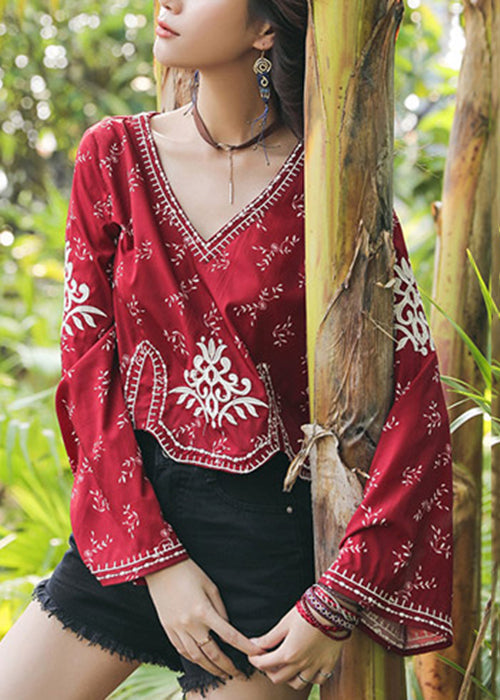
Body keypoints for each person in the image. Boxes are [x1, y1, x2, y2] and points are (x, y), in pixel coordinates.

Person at [0, 1, 454, 698]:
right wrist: (158, 564)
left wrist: (337, 598)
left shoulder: (334, 192)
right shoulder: (114, 157)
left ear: (266, 28)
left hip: (263, 562)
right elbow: (87, 372)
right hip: (134, 530)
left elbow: (416, 395)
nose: (170, 1)